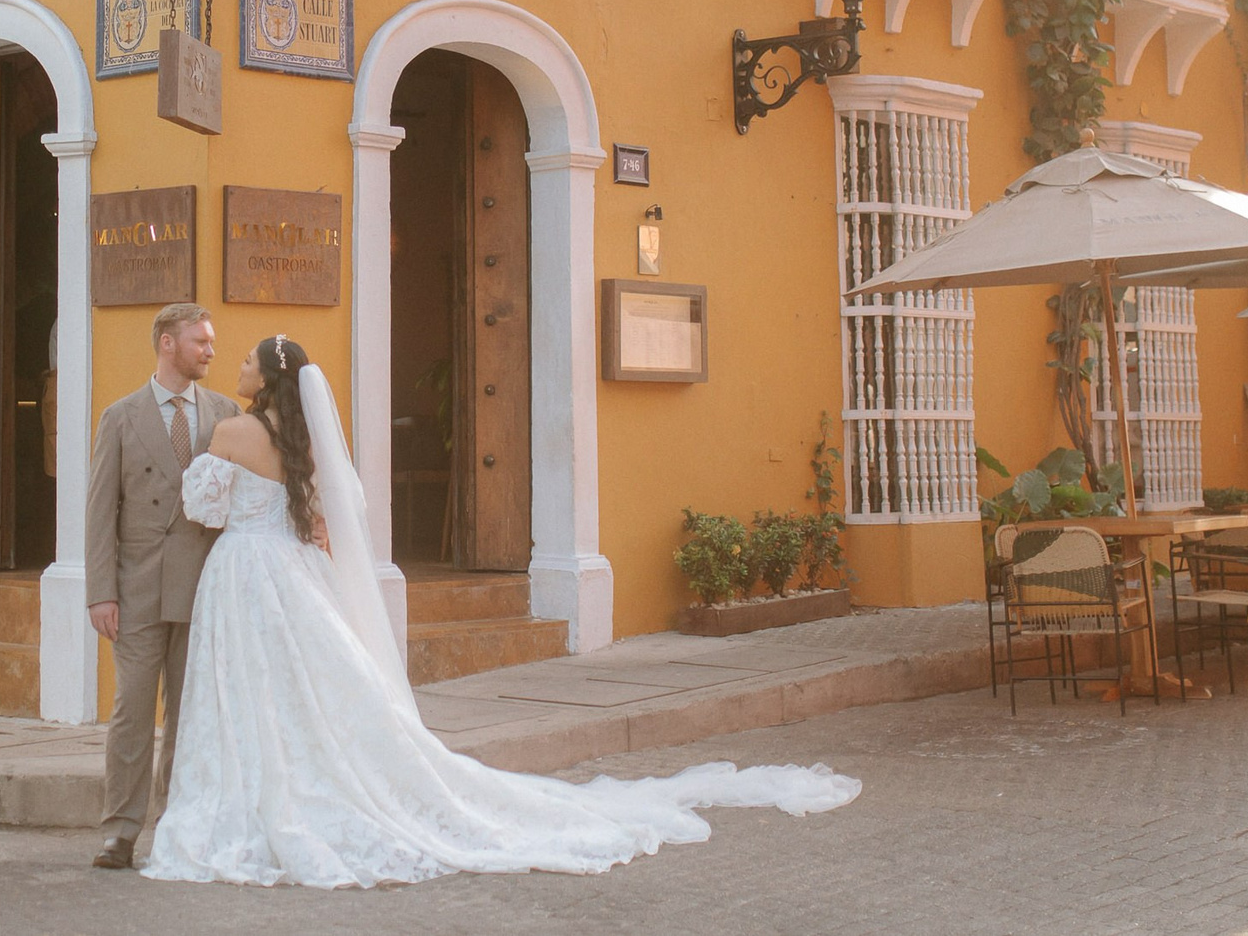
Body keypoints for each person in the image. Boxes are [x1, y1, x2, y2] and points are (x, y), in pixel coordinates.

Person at [142, 336, 860, 887]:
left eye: (243, 359)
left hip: (242, 573)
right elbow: (333, 514)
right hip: (292, 573)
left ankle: (253, 796)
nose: (233, 365)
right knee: (310, 692)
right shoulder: (299, 446)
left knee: (249, 692)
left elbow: (200, 505)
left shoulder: (231, 433)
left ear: (266, 376)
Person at [85, 302, 240, 870]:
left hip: (201, 584)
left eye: (211, 341)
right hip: (138, 587)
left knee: (189, 712)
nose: (211, 351)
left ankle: (178, 822)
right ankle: (120, 831)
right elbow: (101, 510)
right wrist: (101, 590)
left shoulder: (226, 413)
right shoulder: (120, 417)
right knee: (131, 710)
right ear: (167, 344)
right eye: (200, 341)